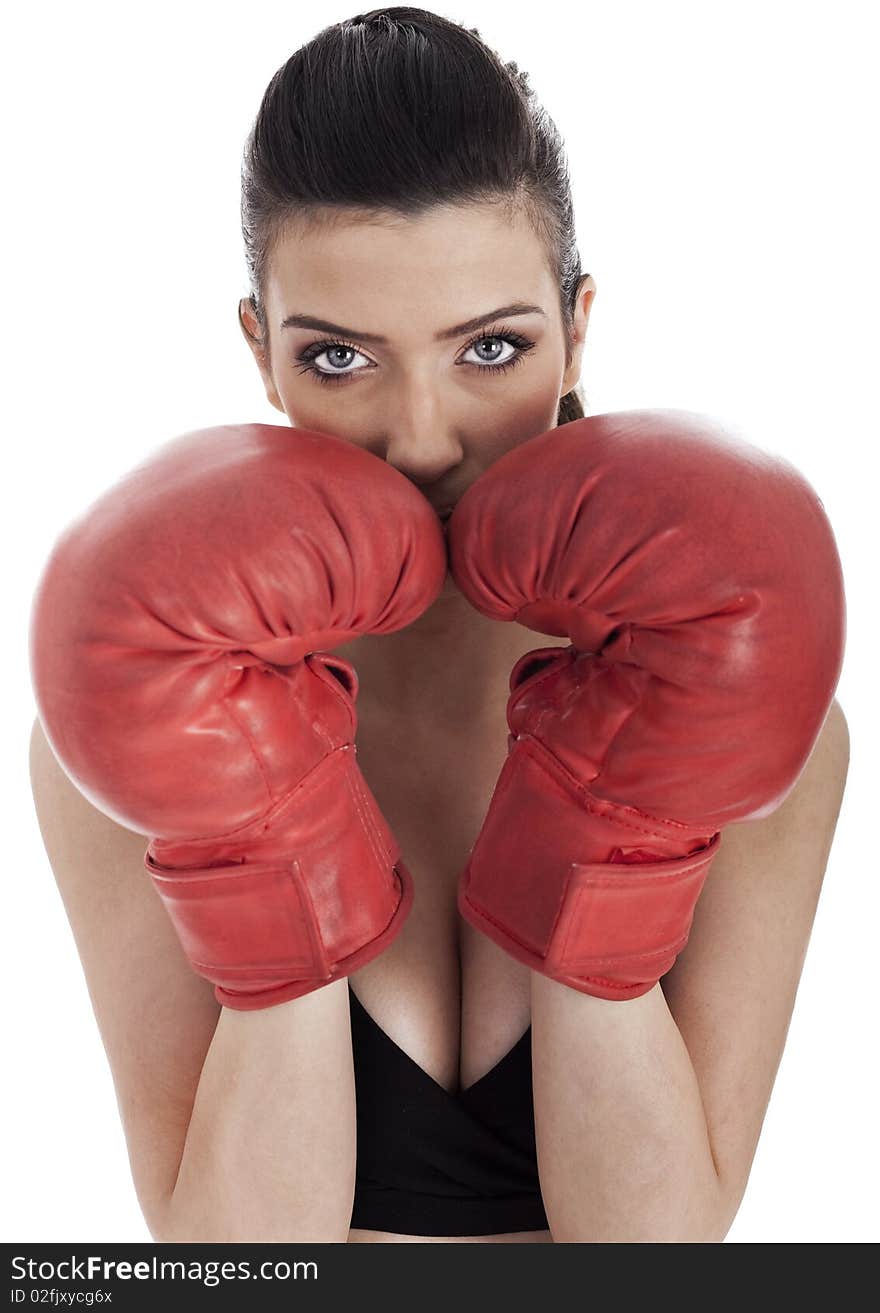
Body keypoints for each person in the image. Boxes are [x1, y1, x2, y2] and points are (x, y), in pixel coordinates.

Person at [28, 7, 850, 1245]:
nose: (421, 436)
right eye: (342, 360)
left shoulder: (750, 700)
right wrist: (263, 841)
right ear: (261, 351)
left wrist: (615, 832)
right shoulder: (132, 715)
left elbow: (660, 1251)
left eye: (491, 347)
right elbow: (231, 1266)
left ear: (578, 324)